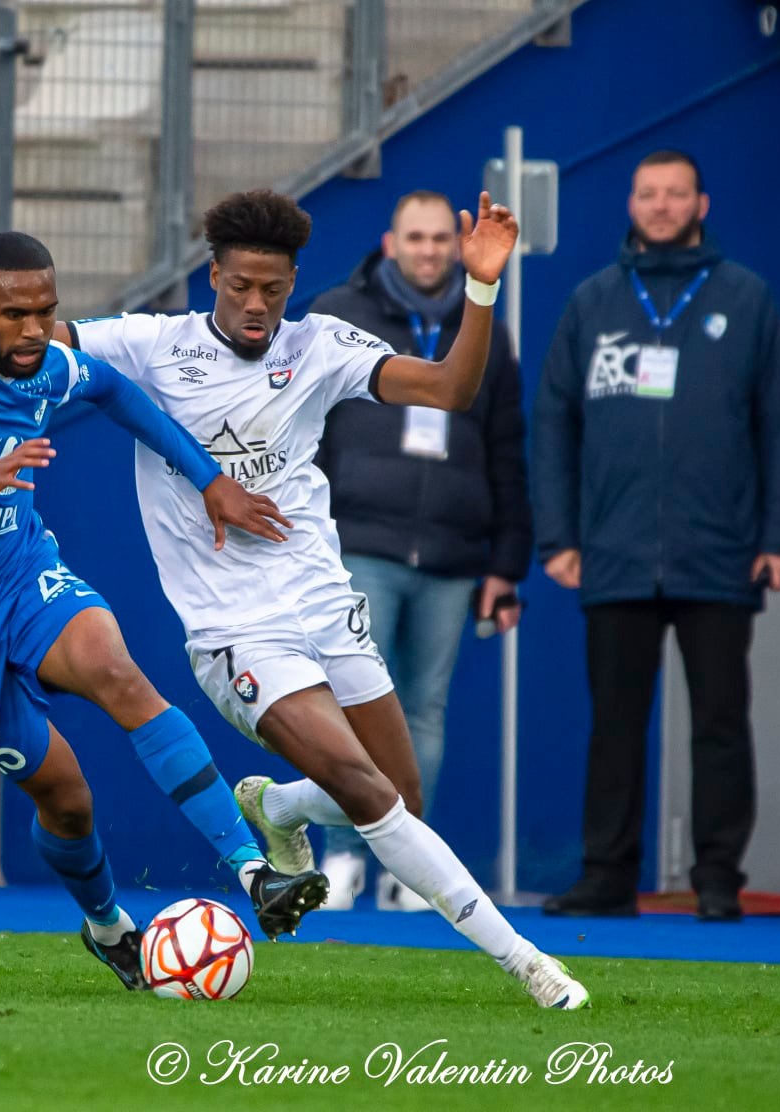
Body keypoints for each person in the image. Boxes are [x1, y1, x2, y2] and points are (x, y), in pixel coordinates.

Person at [0, 192, 589, 1009]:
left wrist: (481, 287)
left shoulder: (324, 344)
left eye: (273, 289)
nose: (257, 304)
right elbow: (11, 337)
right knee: (324, 791)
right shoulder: (155, 344)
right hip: (227, 626)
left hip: (316, 598)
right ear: (214, 278)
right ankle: (527, 964)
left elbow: (449, 389)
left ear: (294, 282)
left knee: (397, 795)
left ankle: (279, 807)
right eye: (241, 287)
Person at [0, 231, 329, 994]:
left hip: (19, 573)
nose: (35, 330)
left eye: (46, 311)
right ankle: (108, 926)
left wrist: (207, 480)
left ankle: (255, 872)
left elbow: (117, 394)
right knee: (65, 797)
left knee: (115, 669)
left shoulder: (49, 365)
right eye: (15, 315)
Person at [532, 150, 780, 922]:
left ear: (701, 204)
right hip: (613, 551)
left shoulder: (745, 298)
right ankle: (606, 876)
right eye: (649, 193)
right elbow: (553, 424)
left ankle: (717, 878)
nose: (661, 205)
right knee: (614, 727)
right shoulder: (594, 300)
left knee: (720, 725)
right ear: (632, 203)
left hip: (720, 552)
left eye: (676, 193)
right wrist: (558, 536)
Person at [307, 189, 533, 911]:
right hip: (360, 543)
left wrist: (506, 563)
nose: (430, 250)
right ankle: (344, 856)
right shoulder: (338, 313)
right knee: (351, 701)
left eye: (441, 238)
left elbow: (507, 448)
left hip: (451, 555)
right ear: (391, 242)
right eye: (417, 237)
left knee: (423, 711)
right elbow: (302, 425)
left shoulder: (484, 324)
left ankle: (409, 864)